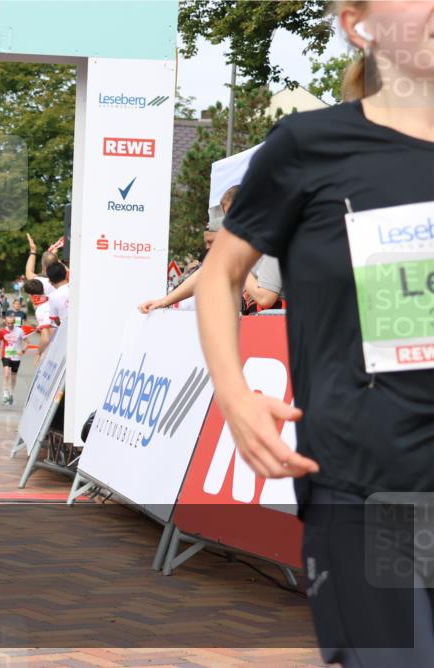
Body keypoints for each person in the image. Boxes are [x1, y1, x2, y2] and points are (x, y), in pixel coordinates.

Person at [196, 2, 434, 664]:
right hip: (366, 485)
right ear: (360, 25)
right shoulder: (310, 146)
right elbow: (220, 277)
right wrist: (235, 395)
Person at [0, 310, 26, 405]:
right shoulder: (2, 331)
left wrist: (23, 351)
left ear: (14, 322)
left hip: (16, 357)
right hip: (6, 355)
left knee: (13, 377)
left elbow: (27, 343)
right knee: (6, 374)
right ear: (5, 322)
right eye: (8, 323)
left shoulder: (20, 331)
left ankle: (11, 393)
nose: (10, 325)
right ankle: (5, 394)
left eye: (11, 323)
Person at [23, 278, 54, 357]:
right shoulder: (52, 298)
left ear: (30, 295)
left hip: (55, 348)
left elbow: (45, 339)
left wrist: (38, 353)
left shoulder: (41, 309)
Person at [46, 261, 69, 327]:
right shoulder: (77, 288)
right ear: (66, 274)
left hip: (66, 329)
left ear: (50, 280)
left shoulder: (53, 296)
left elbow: (55, 318)